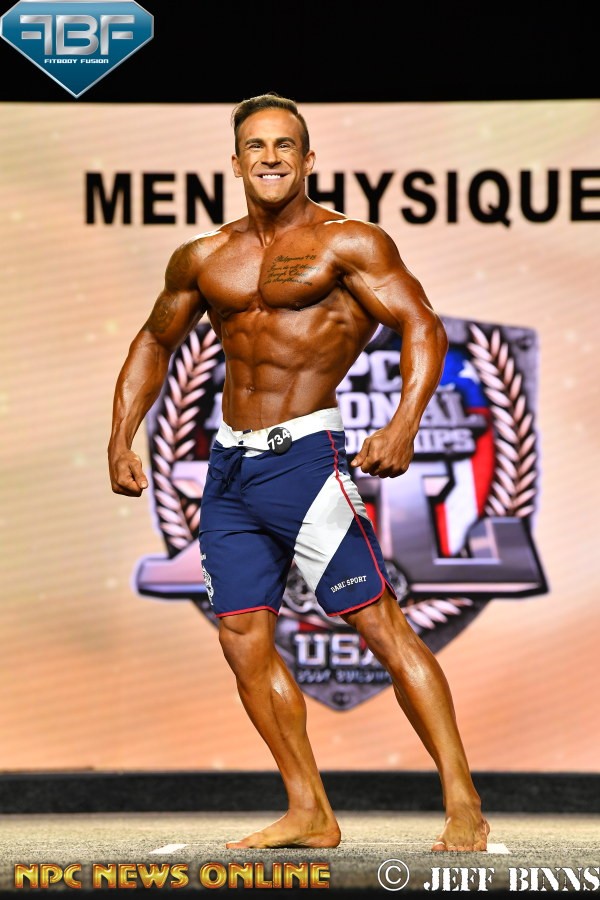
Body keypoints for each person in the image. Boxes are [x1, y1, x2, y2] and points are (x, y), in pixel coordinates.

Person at [108, 92, 490, 853]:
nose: (271, 157)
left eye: (285, 145)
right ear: (236, 162)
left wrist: (404, 423)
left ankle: (463, 801)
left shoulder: (349, 243)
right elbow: (155, 341)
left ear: (308, 159)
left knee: (379, 626)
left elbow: (420, 323)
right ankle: (309, 808)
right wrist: (121, 437)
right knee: (242, 639)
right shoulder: (204, 256)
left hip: (307, 460)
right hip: (229, 468)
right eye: (256, 146)